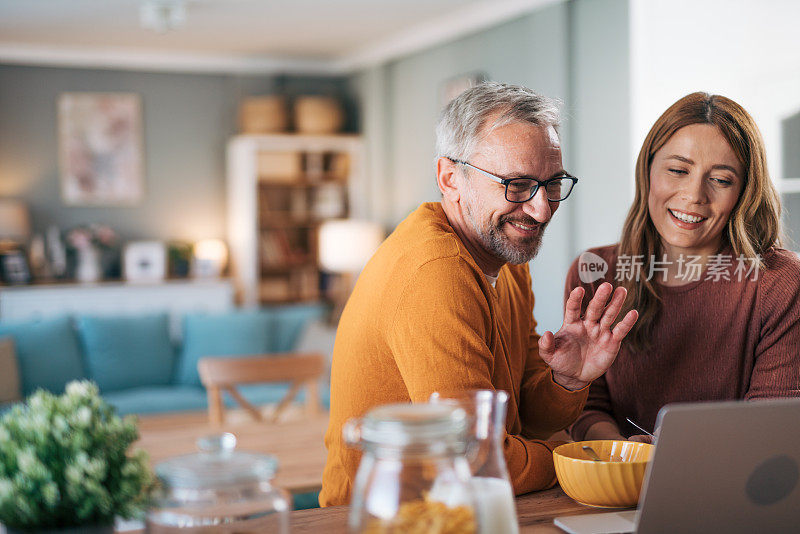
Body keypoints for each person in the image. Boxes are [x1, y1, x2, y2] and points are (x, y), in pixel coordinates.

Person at [320, 82, 638, 507]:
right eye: (517, 184)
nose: (542, 209)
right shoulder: (435, 274)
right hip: (387, 518)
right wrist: (574, 457)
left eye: (553, 182)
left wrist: (567, 379)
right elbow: (472, 460)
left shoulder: (505, 264)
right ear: (450, 178)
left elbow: (526, 417)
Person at [566, 92, 800, 444]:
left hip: (727, 493)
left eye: (721, 180)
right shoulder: (596, 272)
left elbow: (769, 431)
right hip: (618, 491)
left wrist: (670, 454)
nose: (694, 195)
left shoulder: (779, 284)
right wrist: (622, 455)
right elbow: (589, 406)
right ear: (648, 170)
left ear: (744, 191)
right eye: (677, 170)